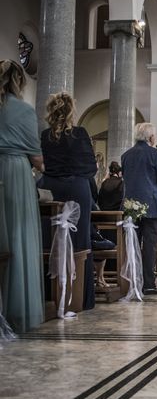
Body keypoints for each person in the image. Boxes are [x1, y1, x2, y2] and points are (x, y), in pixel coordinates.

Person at [39, 92, 97, 310]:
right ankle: (80, 298)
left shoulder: (45, 135)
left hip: (51, 187)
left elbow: (42, 164)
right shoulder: (80, 134)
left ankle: (50, 293)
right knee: (80, 240)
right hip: (77, 189)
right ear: (72, 110)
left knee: (50, 238)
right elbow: (91, 167)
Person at [0, 59, 44, 332]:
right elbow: (37, 157)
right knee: (17, 236)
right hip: (15, 172)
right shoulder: (23, 110)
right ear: (19, 81)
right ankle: (15, 307)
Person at [121, 123, 157, 295]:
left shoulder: (126, 155)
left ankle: (132, 281)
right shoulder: (156, 154)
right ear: (151, 138)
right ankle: (148, 284)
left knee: (132, 244)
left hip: (131, 207)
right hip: (152, 207)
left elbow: (126, 181)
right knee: (149, 246)